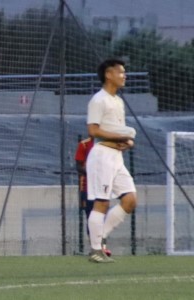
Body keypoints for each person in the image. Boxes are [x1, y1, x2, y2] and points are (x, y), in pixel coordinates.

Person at [85, 58, 137, 263]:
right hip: (102, 157)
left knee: (130, 200)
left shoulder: (118, 101)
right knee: (102, 202)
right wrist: (120, 137)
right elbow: (93, 130)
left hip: (116, 157)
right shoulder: (99, 100)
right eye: (120, 72)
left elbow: (120, 132)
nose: (124, 76)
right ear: (109, 74)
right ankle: (96, 250)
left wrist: (128, 142)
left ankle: (101, 236)